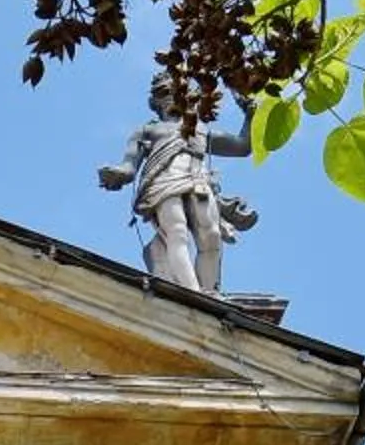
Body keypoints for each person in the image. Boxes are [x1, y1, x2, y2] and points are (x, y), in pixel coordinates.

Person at [98, 77, 258, 293]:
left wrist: (250, 115)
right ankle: (190, 291)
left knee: (211, 236)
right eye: (164, 93)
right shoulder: (148, 130)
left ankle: (209, 293)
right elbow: (129, 165)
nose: (171, 97)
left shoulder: (200, 130)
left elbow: (242, 147)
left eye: (176, 92)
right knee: (177, 232)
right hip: (163, 181)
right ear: (155, 101)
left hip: (199, 181)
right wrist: (118, 174)